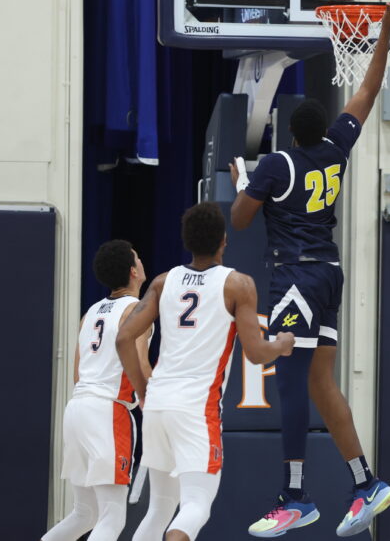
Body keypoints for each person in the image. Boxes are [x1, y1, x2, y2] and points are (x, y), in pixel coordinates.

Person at [228, 0, 390, 537]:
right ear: (321, 129)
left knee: (290, 385)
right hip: (328, 273)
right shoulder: (335, 148)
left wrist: (244, 184)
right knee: (322, 385)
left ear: (287, 132)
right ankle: (364, 483)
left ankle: (296, 496)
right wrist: (387, 33)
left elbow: (238, 221)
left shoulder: (277, 165)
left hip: (297, 273)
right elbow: (368, 93)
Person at [117, 202, 295, 541]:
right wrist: (283, 344)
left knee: (160, 509)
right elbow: (257, 354)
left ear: (186, 241)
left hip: (158, 405)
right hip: (196, 408)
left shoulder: (162, 282)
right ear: (224, 240)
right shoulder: (238, 285)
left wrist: (142, 390)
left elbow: (125, 337)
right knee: (197, 505)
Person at [42, 240, 152, 541]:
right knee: (112, 517)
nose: (142, 262)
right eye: (138, 258)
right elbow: (141, 365)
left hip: (77, 409)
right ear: (134, 271)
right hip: (108, 410)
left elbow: (78, 374)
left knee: (84, 513)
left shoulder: (89, 313)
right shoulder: (136, 310)